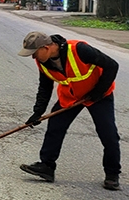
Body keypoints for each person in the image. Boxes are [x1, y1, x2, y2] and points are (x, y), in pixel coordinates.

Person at [17, 31, 121, 190]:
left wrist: (97, 93)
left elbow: (112, 65)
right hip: (72, 96)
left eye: (34, 53)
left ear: (46, 47)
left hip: (99, 95)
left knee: (108, 134)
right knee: (55, 127)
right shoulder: (43, 62)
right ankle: (47, 166)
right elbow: (45, 88)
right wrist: (37, 113)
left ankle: (112, 175)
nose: (33, 57)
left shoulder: (79, 50)